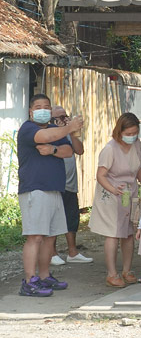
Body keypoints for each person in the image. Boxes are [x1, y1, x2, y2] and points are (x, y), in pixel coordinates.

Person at [16, 94, 83, 297]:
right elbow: (44, 138)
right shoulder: (28, 128)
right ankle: (29, 281)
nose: (42, 109)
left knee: (50, 237)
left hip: (55, 189)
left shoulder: (55, 131)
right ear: (30, 111)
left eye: (46, 106)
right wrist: (69, 128)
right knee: (35, 236)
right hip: (35, 189)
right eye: (38, 106)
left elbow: (68, 151)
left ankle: (44, 277)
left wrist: (53, 148)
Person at [88, 112, 141, 288]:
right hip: (112, 193)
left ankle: (127, 270)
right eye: (128, 134)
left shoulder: (136, 144)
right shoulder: (110, 149)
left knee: (128, 232)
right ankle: (112, 274)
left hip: (130, 192)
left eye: (134, 133)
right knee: (113, 232)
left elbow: (137, 169)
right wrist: (114, 190)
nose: (132, 136)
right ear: (119, 132)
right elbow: (101, 175)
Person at [48, 105, 93, 266]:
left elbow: (80, 150)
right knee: (53, 219)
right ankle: (52, 253)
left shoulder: (68, 134)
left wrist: (72, 132)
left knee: (72, 218)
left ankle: (72, 252)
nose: (65, 119)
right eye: (60, 117)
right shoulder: (49, 133)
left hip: (70, 184)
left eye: (65, 116)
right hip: (55, 184)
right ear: (52, 120)